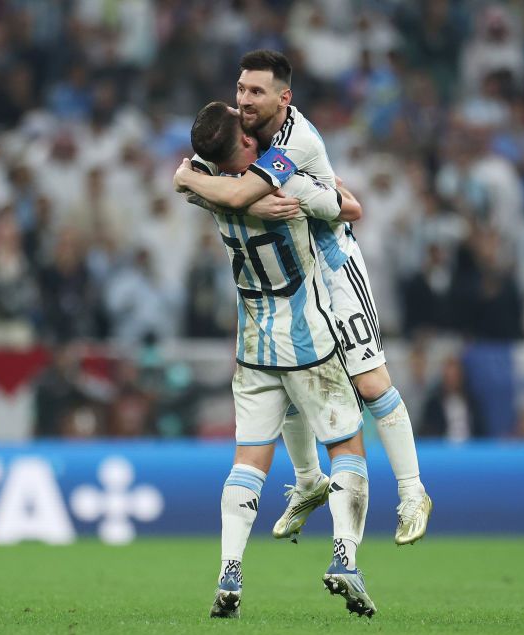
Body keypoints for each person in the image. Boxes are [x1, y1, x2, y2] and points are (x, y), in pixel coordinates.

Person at [173, 50, 431, 545]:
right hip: (291, 273)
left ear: (283, 98)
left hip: (333, 265)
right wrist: (191, 179)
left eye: (256, 92)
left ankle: (413, 492)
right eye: (241, 89)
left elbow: (349, 207)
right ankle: (310, 481)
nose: (245, 100)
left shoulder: (295, 141)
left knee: (372, 382)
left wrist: (202, 183)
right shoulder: (235, 134)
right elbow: (194, 179)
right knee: (287, 373)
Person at [185, 102, 375, 619]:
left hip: (252, 346)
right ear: (242, 144)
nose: (249, 119)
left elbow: (189, 177)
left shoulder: (209, 191)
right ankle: (344, 559)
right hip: (308, 342)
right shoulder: (284, 182)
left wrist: (233, 197)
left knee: (248, 461)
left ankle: (229, 570)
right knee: (348, 447)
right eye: (240, 119)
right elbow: (349, 207)